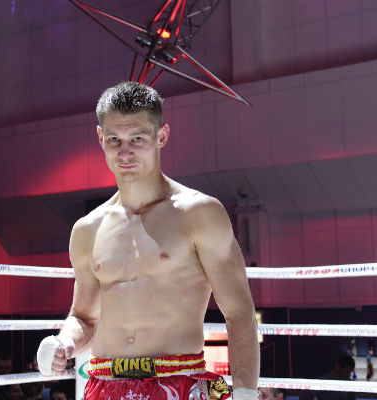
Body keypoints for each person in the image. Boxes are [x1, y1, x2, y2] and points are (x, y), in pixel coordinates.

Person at [36, 81, 259, 400]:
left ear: (161, 136)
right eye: (114, 139)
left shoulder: (200, 213)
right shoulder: (88, 229)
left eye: (137, 138)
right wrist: (63, 342)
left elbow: (239, 311)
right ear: (100, 138)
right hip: (103, 383)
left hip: (178, 380)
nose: (124, 152)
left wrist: (246, 392)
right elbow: (84, 317)